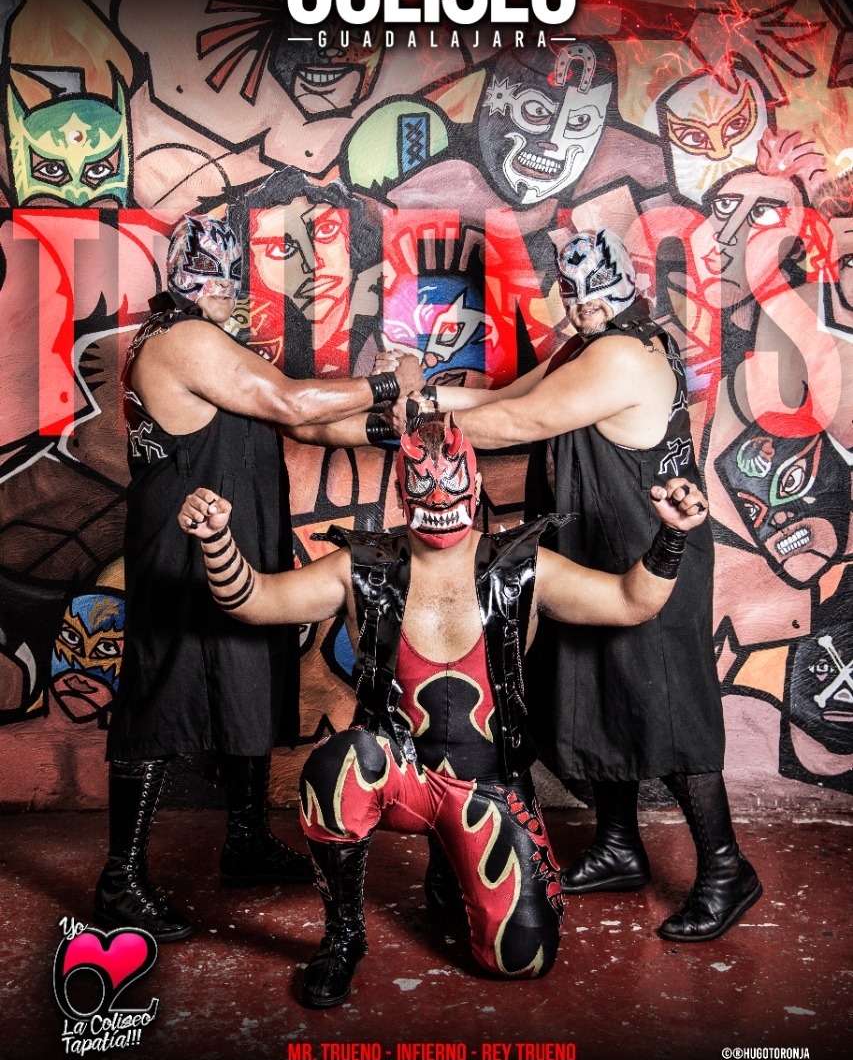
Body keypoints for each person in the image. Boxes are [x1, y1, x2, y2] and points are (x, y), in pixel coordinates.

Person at [178, 412, 710, 1006]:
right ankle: (343, 935)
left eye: (452, 483)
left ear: (474, 486)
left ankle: (452, 860)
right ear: (402, 491)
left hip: (488, 787)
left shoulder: (524, 568)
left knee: (523, 958)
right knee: (336, 765)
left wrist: (673, 534)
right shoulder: (364, 568)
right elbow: (253, 600)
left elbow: (631, 601)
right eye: (423, 485)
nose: (438, 499)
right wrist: (216, 540)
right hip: (399, 775)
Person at [396, 228, 762, 943]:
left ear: (625, 287)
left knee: (668, 709)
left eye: (594, 294)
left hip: (652, 552)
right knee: (599, 695)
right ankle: (620, 846)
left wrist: (413, 414)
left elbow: (517, 421)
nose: (581, 306)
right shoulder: (587, 346)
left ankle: (727, 869)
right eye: (572, 293)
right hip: (597, 549)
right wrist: (423, 394)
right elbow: (513, 393)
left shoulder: (623, 354)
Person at [93, 211, 423, 941]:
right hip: (184, 547)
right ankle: (120, 882)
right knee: (162, 693)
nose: (230, 291)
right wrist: (388, 382)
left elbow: (298, 425)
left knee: (245, 673)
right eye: (219, 280)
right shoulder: (183, 340)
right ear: (196, 282)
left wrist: (389, 427)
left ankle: (244, 841)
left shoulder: (210, 342)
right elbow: (290, 401)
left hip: (233, 542)